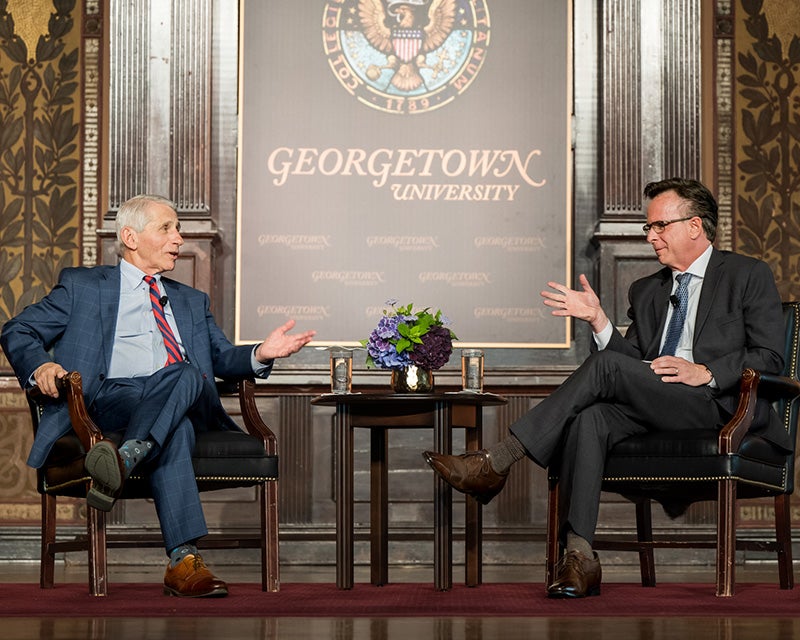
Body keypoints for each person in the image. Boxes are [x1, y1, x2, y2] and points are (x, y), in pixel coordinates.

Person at [423, 178, 789, 599]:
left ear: (695, 225)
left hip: (716, 405)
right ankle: (580, 558)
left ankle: (497, 461)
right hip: (658, 400)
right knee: (590, 418)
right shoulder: (648, 290)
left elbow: (770, 357)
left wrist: (704, 371)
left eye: (659, 226)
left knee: (603, 371)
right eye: (647, 229)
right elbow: (629, 365)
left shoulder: (746, 274)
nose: (650, 237)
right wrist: (599, 322)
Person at [0, 194, 316, 598]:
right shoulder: (83, 287)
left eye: (178, 229)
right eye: (166, 228)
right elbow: (17, 330)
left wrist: (260, 354)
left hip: (183, 395)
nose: (178, 238)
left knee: (183, 375)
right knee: (176, 425)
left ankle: (126, 458)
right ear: (130, 236)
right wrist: (40, 366)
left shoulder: (189, 300)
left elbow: (219, 357)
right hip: (110, 403)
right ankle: (184, 562)